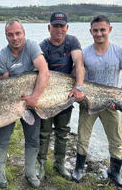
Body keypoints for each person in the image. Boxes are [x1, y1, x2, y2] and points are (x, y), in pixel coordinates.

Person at [71, 15, 122, 188]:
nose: (99, 34)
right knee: (83, 137)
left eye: (102, 30)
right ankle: (78, 168)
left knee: (116, 139)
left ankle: (115, 172)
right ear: (90, 32)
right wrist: (79, 94)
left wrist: (120, 100)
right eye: (95, 30)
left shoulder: (121, 52)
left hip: (111, 104)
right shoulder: (84, 53)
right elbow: (78, 77)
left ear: (110, 30)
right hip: (89, 102)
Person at [0, 19, 49, 189]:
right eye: (10, 34)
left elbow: (44, 71)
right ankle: (0, 170)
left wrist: (35, 97)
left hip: (32, 99)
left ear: (23, 33)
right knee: (2, 137)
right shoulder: (2, 56)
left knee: (33, 138)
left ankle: (30, 172)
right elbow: (6, 84)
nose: (15, 38)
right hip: (9, 103)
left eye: (18, 33)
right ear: (6, 36)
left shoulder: (32, 47)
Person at [36, 12, 85, 181]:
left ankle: (59, 164)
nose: (59, 29)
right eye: (55, 26)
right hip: (47, 95)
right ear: (49, 28)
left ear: (67, 27)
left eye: (61, 26)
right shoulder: (42, 46)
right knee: (44, 132)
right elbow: (41, 73)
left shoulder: (72, 41)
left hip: (66, 94)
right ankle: (41, 164)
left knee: (63, 132)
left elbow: (79, 63)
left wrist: (78, 87)